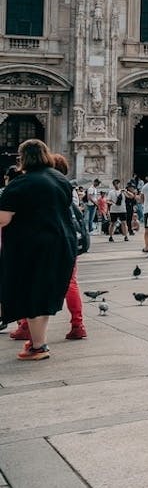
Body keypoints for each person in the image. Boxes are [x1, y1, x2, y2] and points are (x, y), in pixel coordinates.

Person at [0, 139, 77, 361]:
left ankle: (38, 346)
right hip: (62, 243)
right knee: (44, 292)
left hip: (32, 246)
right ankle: (38, 344)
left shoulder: (21, 183)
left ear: (23, 158)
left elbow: (4, 218)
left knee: (31, 291)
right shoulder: (60, 179)